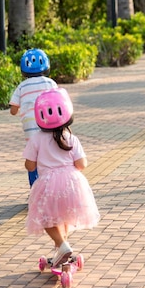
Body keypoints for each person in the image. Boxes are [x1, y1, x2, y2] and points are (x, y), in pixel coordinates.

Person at [23, 88, 100, 267]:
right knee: (63, 217)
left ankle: (62, 245)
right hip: (72, 183)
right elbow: (82, 164)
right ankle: (62, 250)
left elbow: (30, 166)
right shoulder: (70, 137)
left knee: (45, 218)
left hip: (48, 183)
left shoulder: (36, 138)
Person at [10, 48, 61, 187]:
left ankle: (35, 190)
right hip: (50, 124)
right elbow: (59, 101)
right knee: (51, 154)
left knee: (33, 157)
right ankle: (53, 186)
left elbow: (13, 110)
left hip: (30, 129)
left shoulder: (21, 86)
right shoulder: (50, 83)